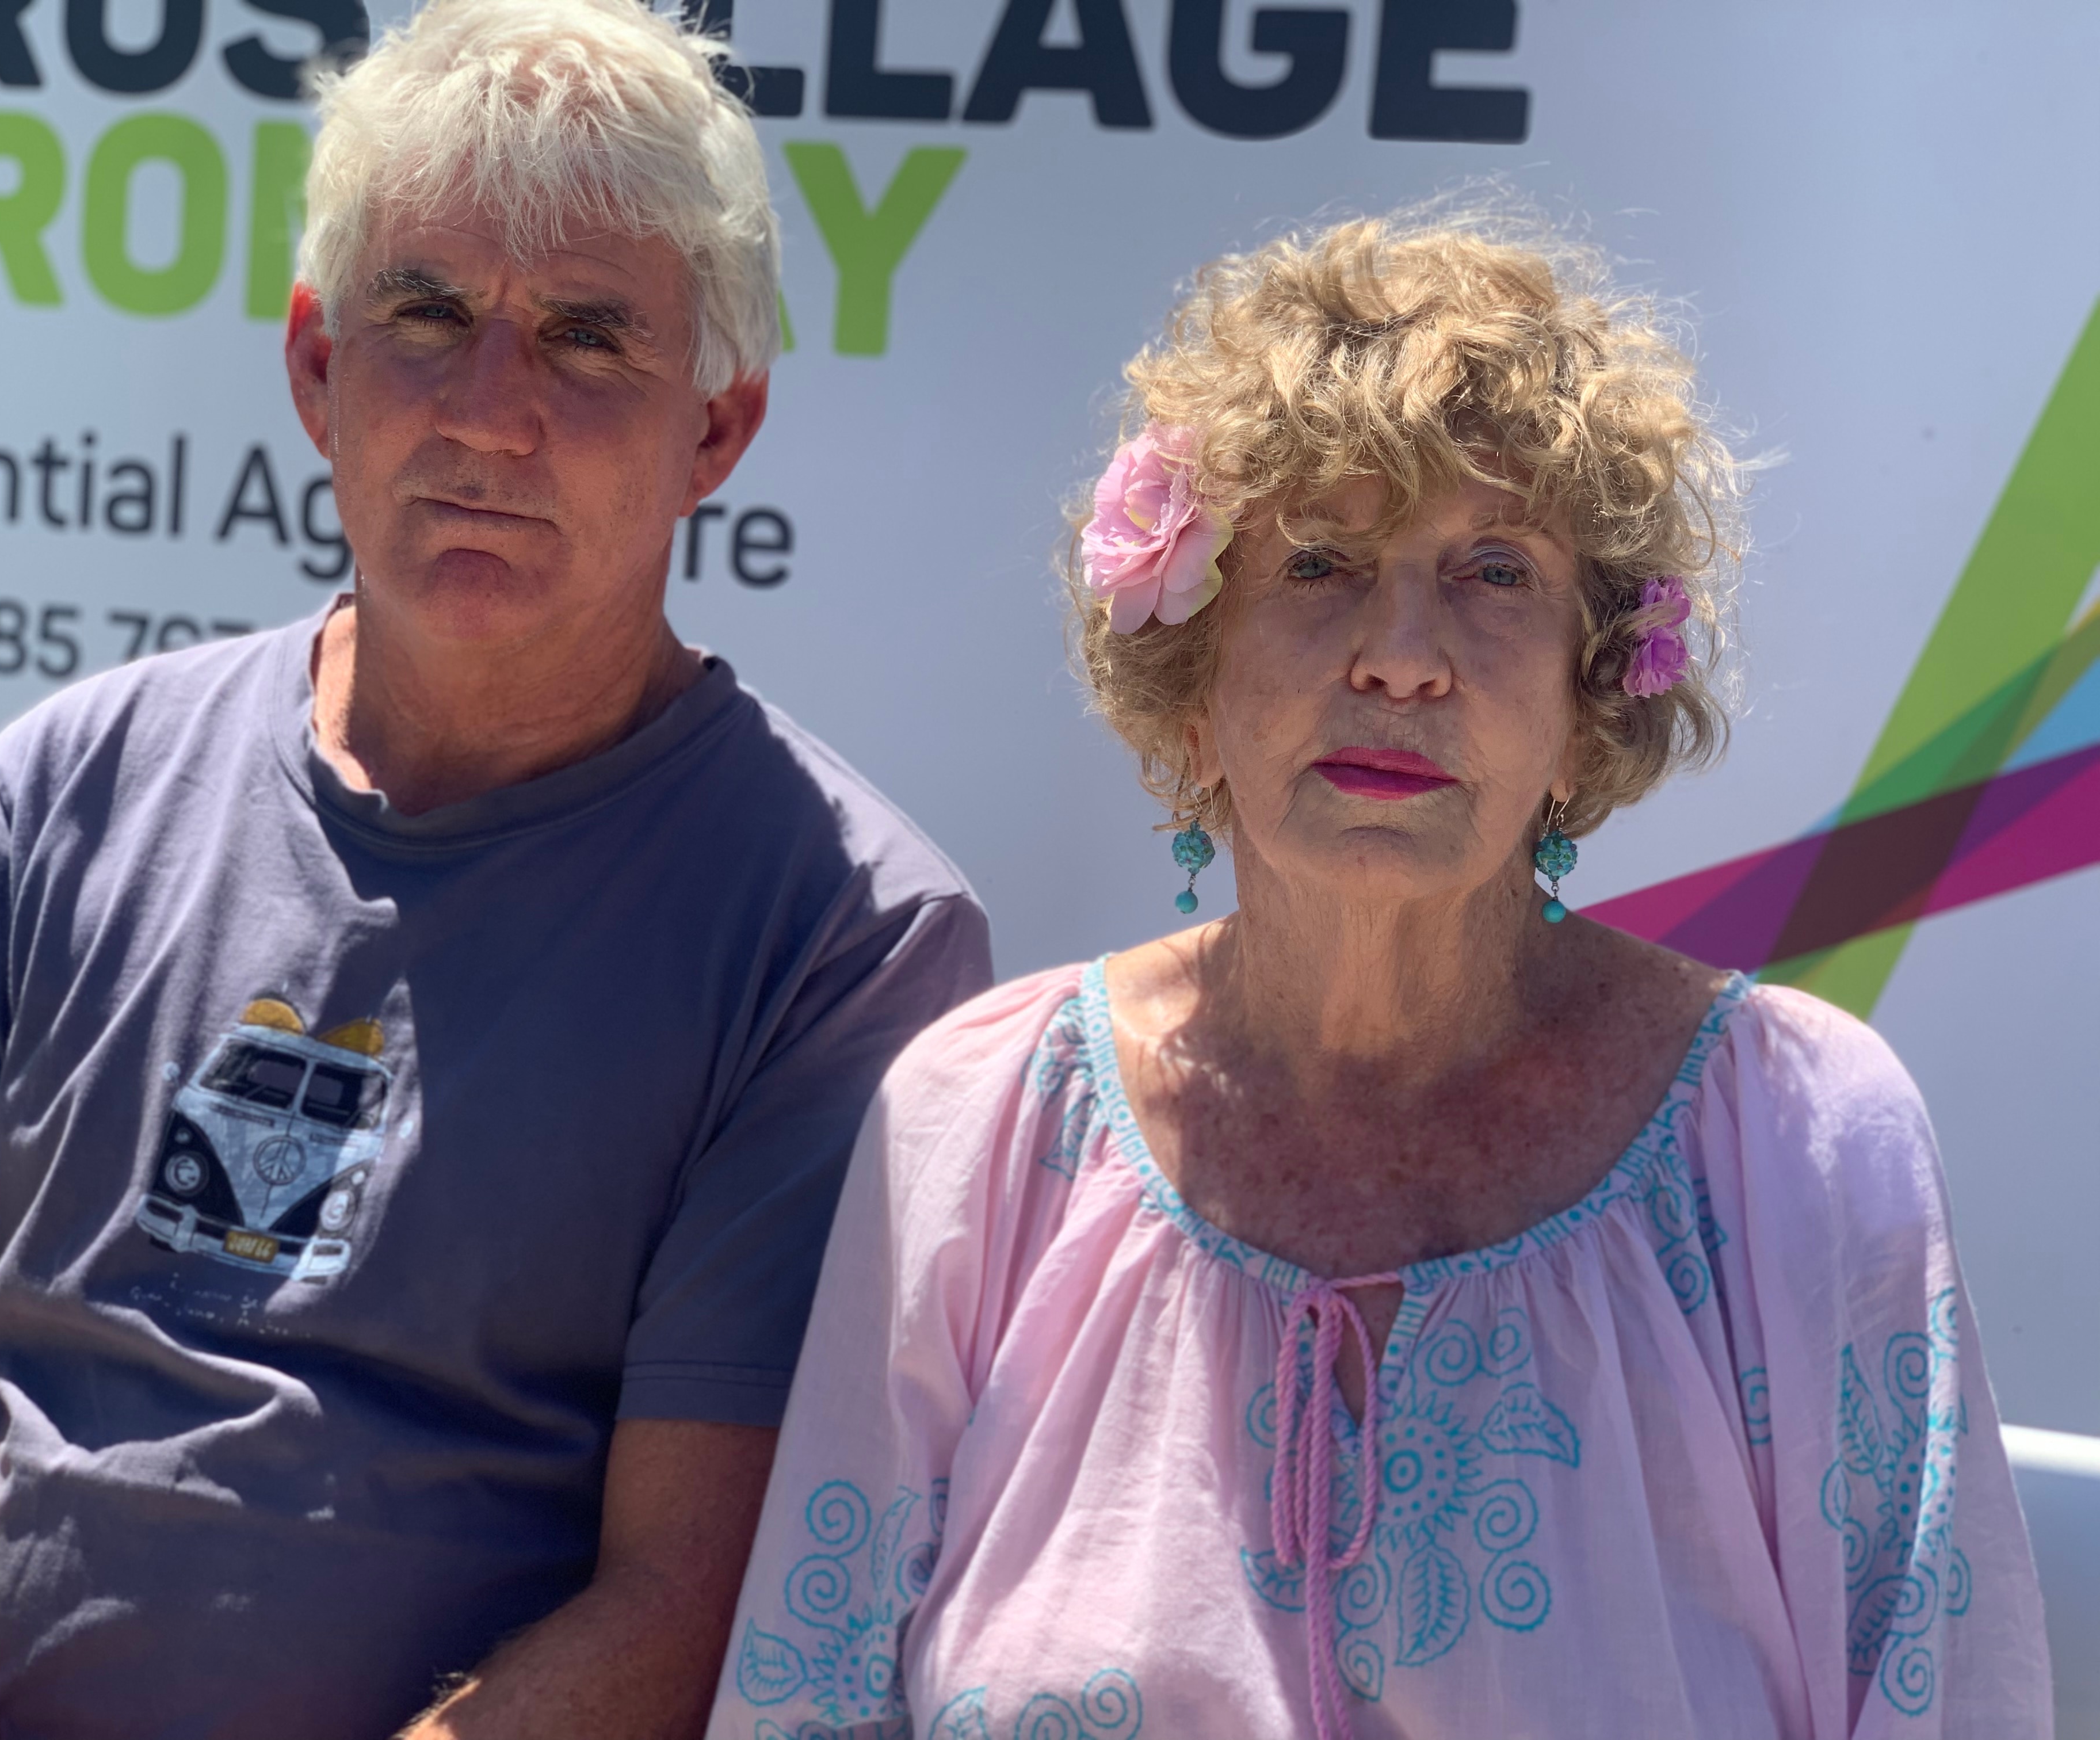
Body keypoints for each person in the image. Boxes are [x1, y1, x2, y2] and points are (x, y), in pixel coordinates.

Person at [0, 2, 990, 1735]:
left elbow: (693, 1600)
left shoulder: (848, 935)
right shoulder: (68, 779)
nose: (490, 414)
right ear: (316, 370)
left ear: (716, 434)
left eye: (588, 340)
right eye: (424, 315)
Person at [709, 212, 2051, 1739]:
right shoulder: (982, 1122)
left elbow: (1950, 1701)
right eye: (1320, 564)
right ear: (1193, 678)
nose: (1402, 657)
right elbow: (804, 1703)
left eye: (1495, 571)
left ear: (1588, 703)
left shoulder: (1796, 1136)